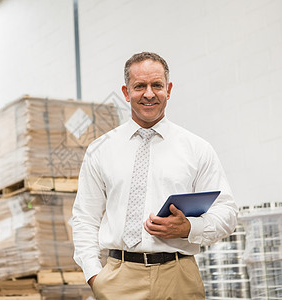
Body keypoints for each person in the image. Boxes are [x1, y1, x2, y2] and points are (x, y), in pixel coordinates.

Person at [70, 52, 238, 299]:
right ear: (126, 93)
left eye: (156, 85)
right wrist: (95, 276)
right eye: (140, 86)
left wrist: (189, 227)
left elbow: (228, 213)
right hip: (118, 279)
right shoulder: (100, 150)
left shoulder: (197, 148)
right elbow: (85, 218)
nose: (149, 94)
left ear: (168, 90)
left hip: (179, 276)